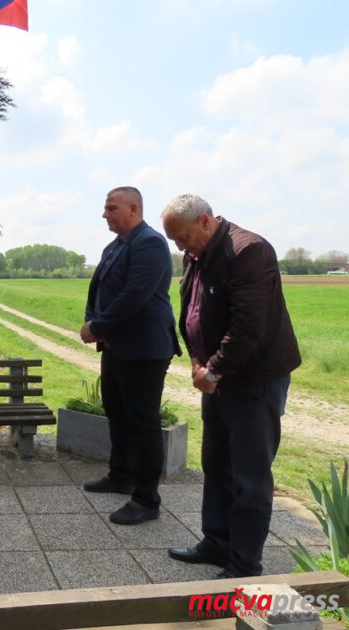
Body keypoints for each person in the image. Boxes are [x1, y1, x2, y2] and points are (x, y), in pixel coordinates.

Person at [161, 194, 301, 579]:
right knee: (217, 464)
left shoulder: (249, 251)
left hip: (253, 380)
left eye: (184, 238)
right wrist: (196, 360)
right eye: (175, 241)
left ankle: (244, 566)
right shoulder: (197, 253)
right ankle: (217, 543)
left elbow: (248, 328)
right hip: (217, 378)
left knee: (250, 476)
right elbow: (189, 309)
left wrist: (213, 370)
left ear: (206, 221)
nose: (180, 247)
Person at [80, 187, 181, 525]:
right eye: (105, 207)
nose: (105, 214)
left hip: (145, 350)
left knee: (143, 424)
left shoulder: (150, 243)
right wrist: (92, 320)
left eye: (111, 208)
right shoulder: (116, 245)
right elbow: (98, 289)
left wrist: (98, 326)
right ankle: (120, 476)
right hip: (117, 346)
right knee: (117, 413)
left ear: (134, 208)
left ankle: (145, 499)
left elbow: (132, 296)